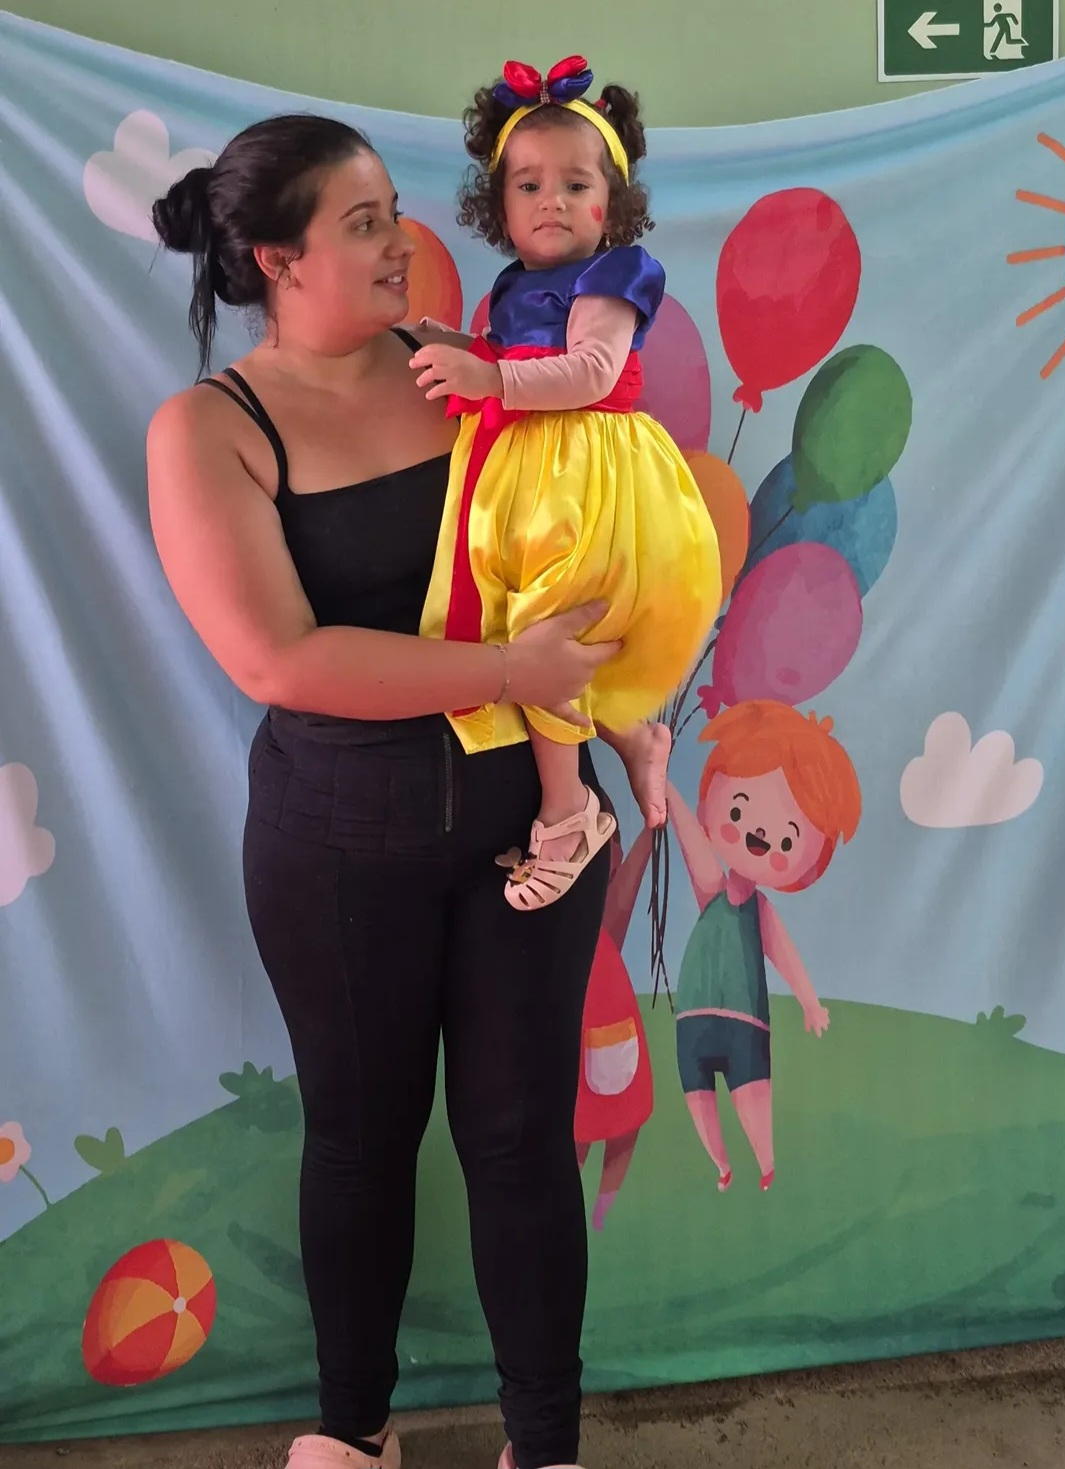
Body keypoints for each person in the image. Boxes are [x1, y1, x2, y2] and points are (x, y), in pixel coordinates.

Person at [147, 113, 622, 1469]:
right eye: (363, 224)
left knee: (520, 1139)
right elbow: (279, 658)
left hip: (532, 822)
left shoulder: (467, 368)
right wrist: (510, 666)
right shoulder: (209, 428)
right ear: (276, 257)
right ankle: (355, 1432)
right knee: (359, 1142)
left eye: (395, 212)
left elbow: (589, 510)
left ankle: (546, 1444)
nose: (399, 242)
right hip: (339, 843)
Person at [410, 56, 723, 913]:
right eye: (529, 185)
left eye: (575, 185)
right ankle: (634, 738)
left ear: (610, 207)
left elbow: (590, 371)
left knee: (546, 630)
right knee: (519, 620)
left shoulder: (611, 277)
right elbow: (513, 357)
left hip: (586, 473)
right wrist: (460, 349)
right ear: (500, 206)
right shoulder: (516, 283)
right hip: (524, 471)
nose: (550, 201)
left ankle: (567, 809)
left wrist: (491, 379)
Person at [665, 701, 861, 1192]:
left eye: (787, 840)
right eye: (738, 810)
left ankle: (766, 1163)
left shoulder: (758, 909)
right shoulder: (711, 885)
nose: (756, 836)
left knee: (751, 1094)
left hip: (745, 1021)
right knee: (697, 1095)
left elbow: (784, 953)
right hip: (694, 1016)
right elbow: (689, 837)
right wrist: (662, 783)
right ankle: (722, 1164)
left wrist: (810, 1002)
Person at [575, 824, 654, 1233]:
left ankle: (601, 1215)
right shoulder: (566, 924)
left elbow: (628, 885)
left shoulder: (605, 922)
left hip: (617, 1037)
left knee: (625, 1128)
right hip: (576, 1044)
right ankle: (573, 1212)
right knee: (576, 1133)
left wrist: (651, 831)